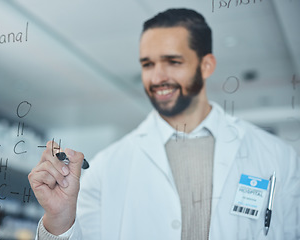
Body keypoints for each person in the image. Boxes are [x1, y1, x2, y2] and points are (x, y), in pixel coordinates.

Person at [29, 8, 300, 240]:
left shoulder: (278, 157)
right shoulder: (107, 167)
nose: (157, 77)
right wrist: (59, 221)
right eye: (148, 64)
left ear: (206, 65)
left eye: (173, 61)